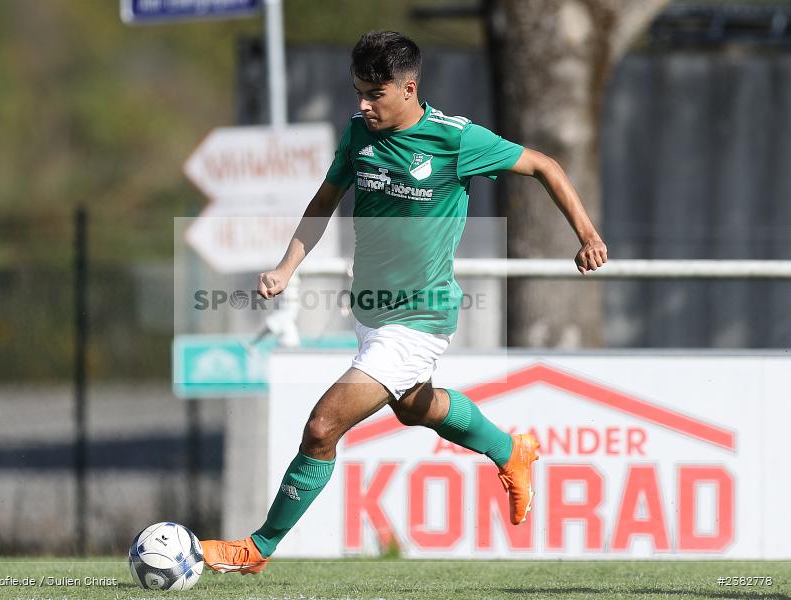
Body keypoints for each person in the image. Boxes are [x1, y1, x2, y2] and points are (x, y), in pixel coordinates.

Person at [202, 30, 607, 574]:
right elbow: (323, 203)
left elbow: (544, 165)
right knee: (415, 407)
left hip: (420, 318)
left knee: (323, 427)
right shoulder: (356, 135)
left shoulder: (455, 140)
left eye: (375, 94)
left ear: (408, 87)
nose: (363, 105)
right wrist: (285, 266)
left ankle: (257, 549)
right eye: (358, 93)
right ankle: (511, 452)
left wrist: (586, 235)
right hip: (370, 313)